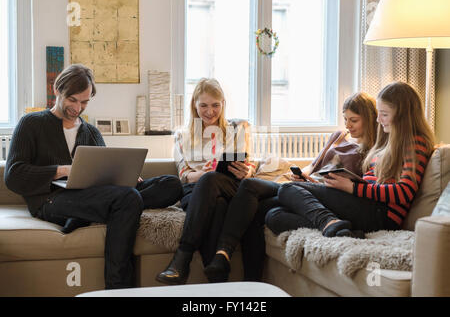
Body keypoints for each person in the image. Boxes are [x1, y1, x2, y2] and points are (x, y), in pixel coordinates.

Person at [4, 64, 182, 289]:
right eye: (73, 100)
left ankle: (92, 214)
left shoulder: (91, 132)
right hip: (51, 200)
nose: (78, 107)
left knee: (171, 185)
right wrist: (62, 170)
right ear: (56, 90)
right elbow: (13, 176)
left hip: (92, 195)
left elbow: (105, 172)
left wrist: (124, 176)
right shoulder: (31, 124)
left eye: (85, 102)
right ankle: (117, 287)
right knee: (128, 199)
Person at [201, 92, 379, 282]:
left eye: (354, 120)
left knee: (250, 185)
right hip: (306, 188)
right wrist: (301, 176)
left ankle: (223, 254)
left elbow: (357, 186)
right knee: (258, 209)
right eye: (345, 119)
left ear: (368, 119)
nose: (348, 125)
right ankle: (250, 280)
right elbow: (312, 166)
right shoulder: (339, 136)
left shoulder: (373, 149)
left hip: (326, 195)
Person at [274, 81, 434, 240]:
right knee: (275, 216)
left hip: (381, 213)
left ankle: (328, 222)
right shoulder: (389, 142)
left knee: (288, 188)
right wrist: (341, 186)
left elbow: (404, 192)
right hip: (365, 203)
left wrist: (352, 188)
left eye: (384, 114)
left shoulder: (414, 143)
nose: (378, 119)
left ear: (403, 116)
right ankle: (342, 230)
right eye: (379, 113)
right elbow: (370, 183)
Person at [156, 78, 256, 285]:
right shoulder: (182, 135)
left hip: (229, 186)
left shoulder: (235, 130)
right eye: (203, 105)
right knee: (216, 203)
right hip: (195, 191)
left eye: (215, 105)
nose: (210, 111)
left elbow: (251, 164)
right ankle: (218, 278)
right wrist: (207, 173)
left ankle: (182, 258)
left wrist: (245, 172)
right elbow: (184, 174)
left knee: (213, 181)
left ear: (223, 105)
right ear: (194, 104)